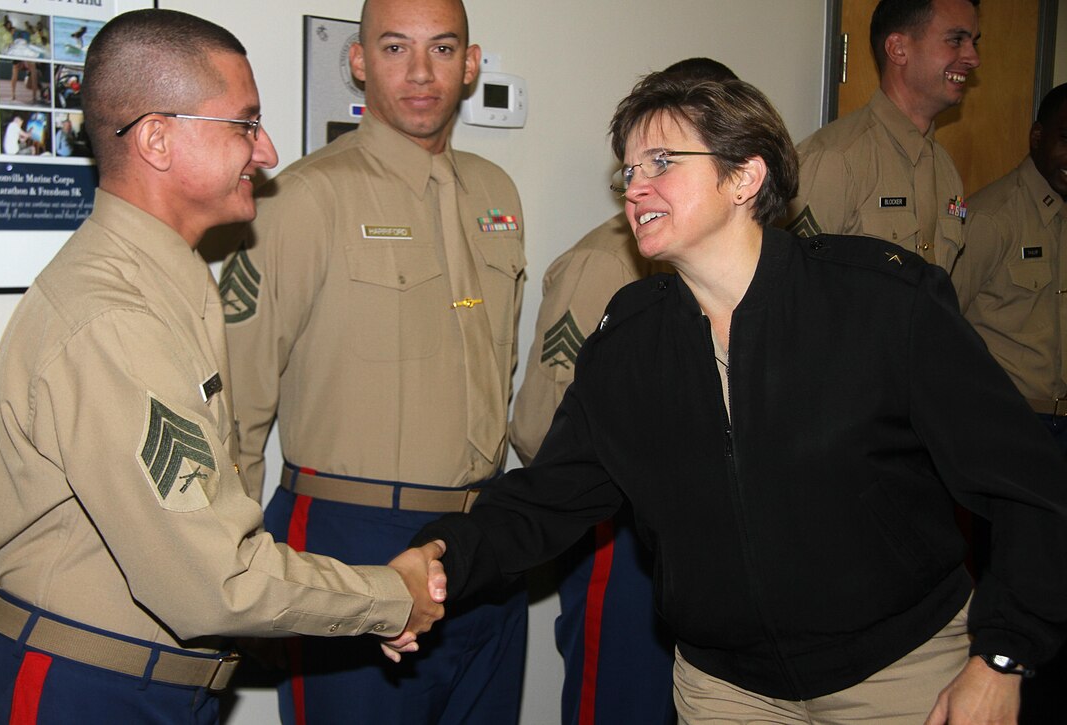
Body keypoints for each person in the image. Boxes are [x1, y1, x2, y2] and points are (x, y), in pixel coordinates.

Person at [411, 73, 1067, 724]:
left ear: (745, 177)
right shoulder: (632, 340)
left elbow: (1029, 488)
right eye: (630, 170)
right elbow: (550, 496)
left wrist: (1004, 654)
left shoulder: (881, 305)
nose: (635, 186)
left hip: (899, 672)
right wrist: (443, 554)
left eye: (662, 162)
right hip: (726, 689)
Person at [0, 10, 446, 724]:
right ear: (159, 137)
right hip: (84, 688)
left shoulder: (171, 278)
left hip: (147, 682)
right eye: (244, 123)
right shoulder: (115, 318)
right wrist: (389, 596)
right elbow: (213, 577)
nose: (266, 150)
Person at [221, 0, 527, 721]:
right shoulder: (302, 198)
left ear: (472, 64)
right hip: (350, 539)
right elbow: (234, 405)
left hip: (485, 538)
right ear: (359, 62)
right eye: (394, 49)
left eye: (443, 49)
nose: (421, 72)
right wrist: (233, 572)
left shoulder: (497, 194)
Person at [510, 56, 735, 725]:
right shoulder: (604, 264)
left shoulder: (738, 265)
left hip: (710, 535)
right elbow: (542, 426)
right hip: (623, 538)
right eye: (648, 161)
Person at [951, 82, 1067, 724]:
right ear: (1037, 138)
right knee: (1010, 589)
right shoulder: (991, 216)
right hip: (1014, 437)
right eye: (1065, 137)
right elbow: (945, 331)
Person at [786, 0, 979, 272]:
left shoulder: (945, 169)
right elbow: (787, 288)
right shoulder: (835, 159)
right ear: (898, 49)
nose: (973, 58)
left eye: (974, 43)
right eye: (956, 40)